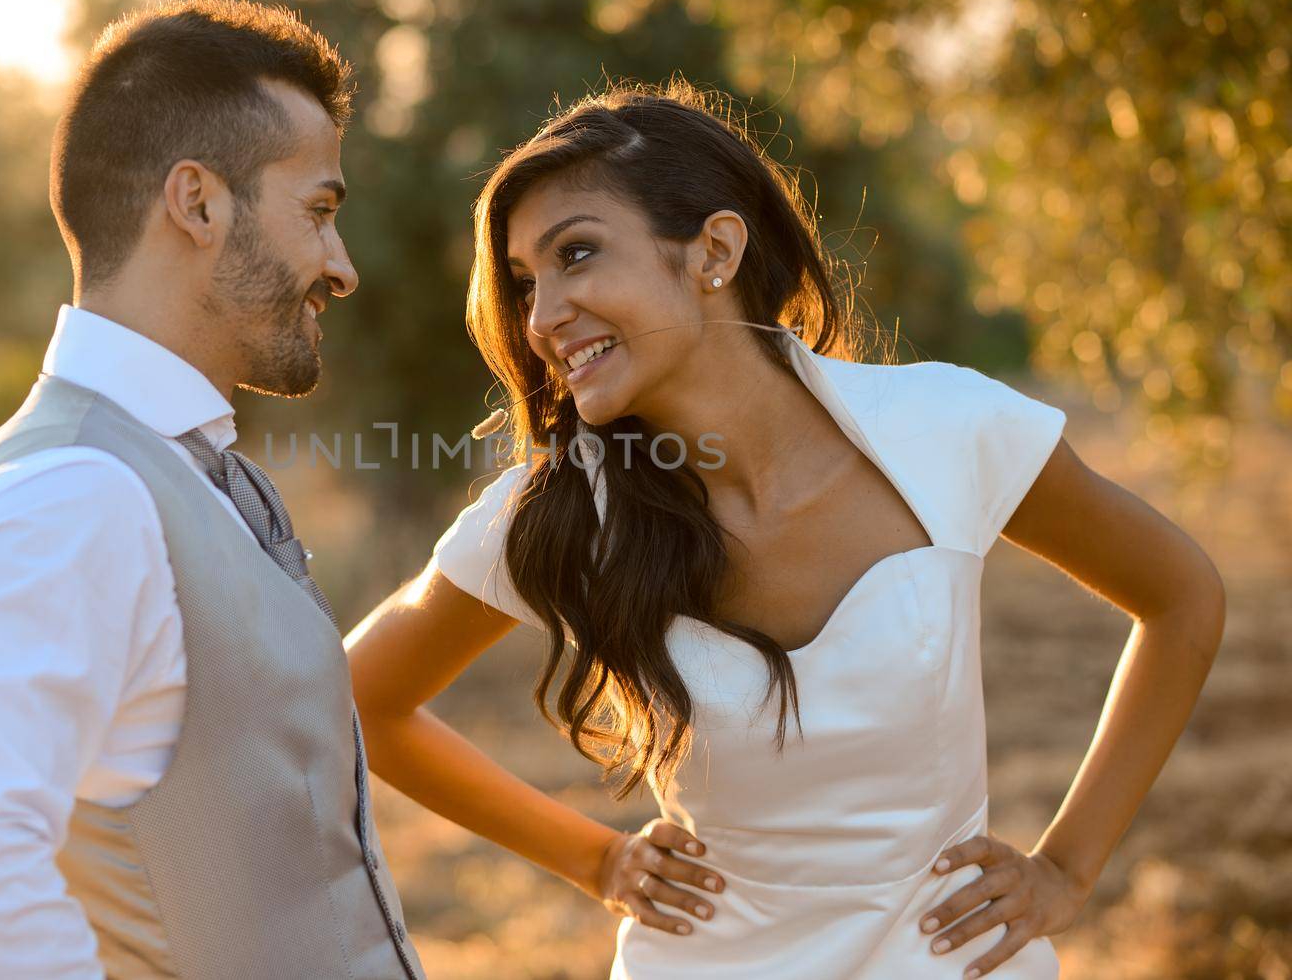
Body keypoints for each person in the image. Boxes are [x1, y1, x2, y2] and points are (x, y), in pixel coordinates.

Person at [344, 81, 1225, 979]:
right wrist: (595, 859)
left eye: (576, 254)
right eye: (527, 284)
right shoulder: (562, 513)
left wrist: (1066, 868)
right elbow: (359, 702)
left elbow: (1182, 597)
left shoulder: (947, 430)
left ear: (714, 251)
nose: (540, 319)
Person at [0, 0, 425, 980]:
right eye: (319, 212)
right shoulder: (70, 494)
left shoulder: (187, 470)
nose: (342, 266)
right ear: (196, 203)